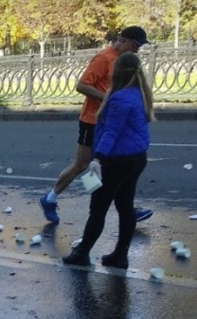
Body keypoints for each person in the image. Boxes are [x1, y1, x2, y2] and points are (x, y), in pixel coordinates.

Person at [40, 26, 153, 224]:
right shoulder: (103, 58)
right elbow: (81, 85)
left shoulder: (124, 60)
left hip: (108, 121)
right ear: (123, 40)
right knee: (83, 164)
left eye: (139, 46)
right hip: (91, 120)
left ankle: (118, 207)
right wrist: (108, 99)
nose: (137, 50)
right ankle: (50, 199)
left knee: (109, 166)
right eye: (135, 45)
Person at [61, 53, 153, 270]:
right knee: (125, 207)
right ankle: (120, 255)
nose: (110, 73)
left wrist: (98, 158)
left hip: (115, 161)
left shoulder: (119, 99)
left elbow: (111, 132)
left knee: (98, 209)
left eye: (112, 70)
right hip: (136, 158)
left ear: (117, 73)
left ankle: (82, 252)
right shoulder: (138, 93)